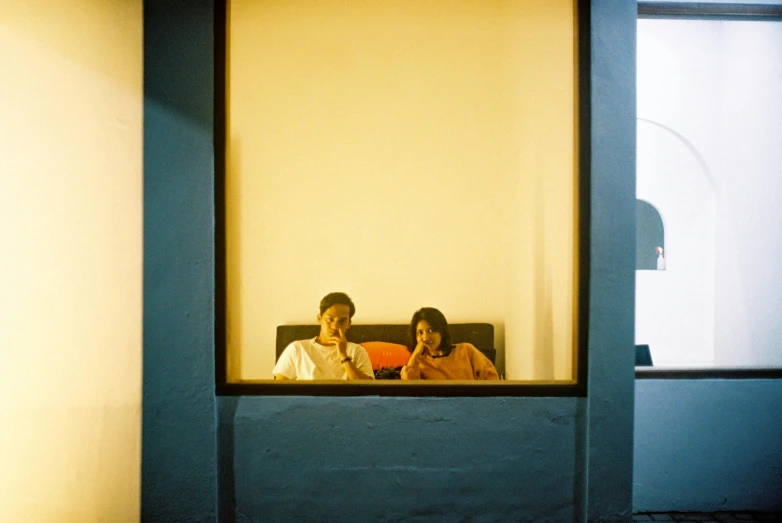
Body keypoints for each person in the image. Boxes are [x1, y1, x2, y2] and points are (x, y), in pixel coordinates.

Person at [273, 292, 374, 380]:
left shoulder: (357, 351)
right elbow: (279, 391)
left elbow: (369, 389)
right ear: (319, 318)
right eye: (330, 319)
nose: (335, 326)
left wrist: (343, 355)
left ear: (349, 324)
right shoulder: (297, 349)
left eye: (342, 321)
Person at [401, 307, 499, 381]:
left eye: (431, 330)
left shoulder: (466, 350)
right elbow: (409, 391)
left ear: (441, 331)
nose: (425, 338)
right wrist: (415, 356)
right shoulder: (418, 363)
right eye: (420, 332)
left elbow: (491, 379)